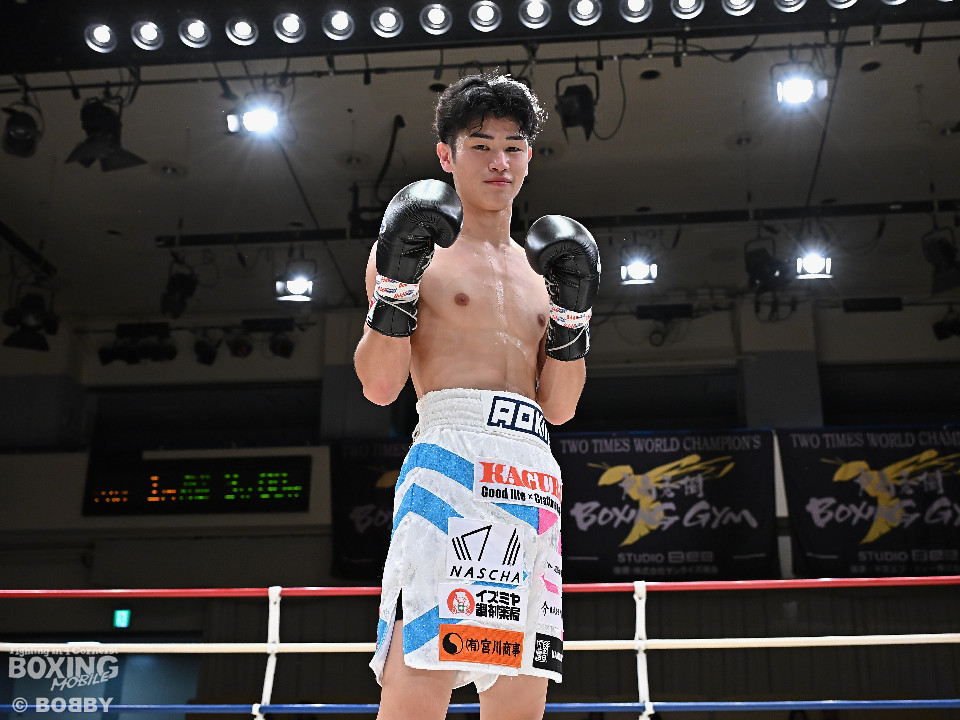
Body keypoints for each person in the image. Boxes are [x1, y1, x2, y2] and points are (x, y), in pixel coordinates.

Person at [354, 74, 600, 720]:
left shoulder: (546, 272)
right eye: (481, 145)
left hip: (531, 467)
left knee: (520, 689)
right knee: (418, 678)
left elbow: (560, 407)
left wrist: (572, 319)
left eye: (514, 147)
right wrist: (397, 290)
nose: (500, 162)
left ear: (529, 157)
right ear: (446, 154)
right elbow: (379, 385)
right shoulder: (414, 252)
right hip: (449, 459)